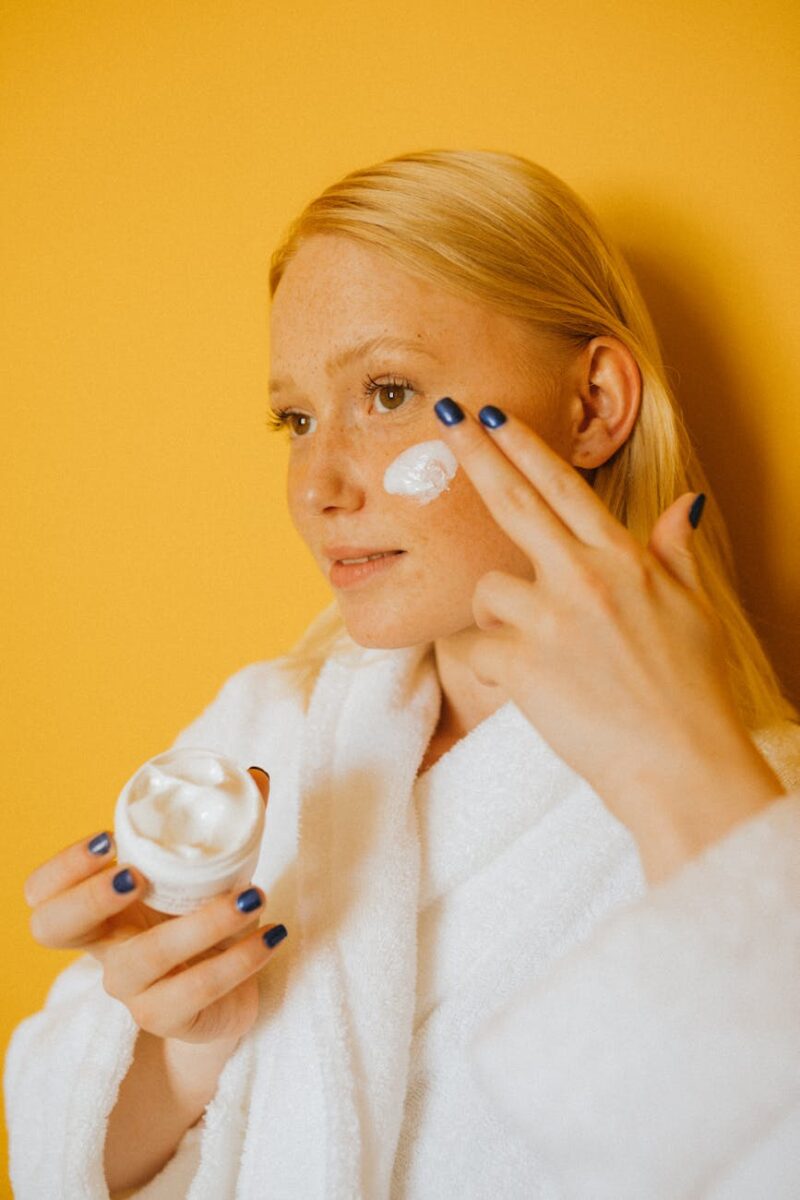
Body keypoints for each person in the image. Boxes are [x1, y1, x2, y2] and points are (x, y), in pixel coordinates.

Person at [5, 148, 800, 1200]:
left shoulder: (748, 814)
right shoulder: (260, 733)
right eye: (293, 419)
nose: (316, 483)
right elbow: (68, 1160)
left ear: (592, 403)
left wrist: (682, 773)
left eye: (386, 392)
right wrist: (183, 1044)